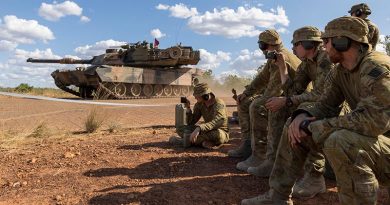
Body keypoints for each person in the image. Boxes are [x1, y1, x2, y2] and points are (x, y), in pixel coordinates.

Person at [241, 16, 390, 205]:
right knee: (294, 125)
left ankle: (317, 176)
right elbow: (325, 103)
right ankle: (277, 196)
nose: (324, 46)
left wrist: (318, 125)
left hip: (381, 142)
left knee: (340, 140)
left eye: (327, 41)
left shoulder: (376, 67)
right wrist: (302, 116)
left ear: (342, 42)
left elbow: (375, 121)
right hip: (372, 139)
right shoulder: (340, 69)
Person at [229, 29, 301, 173]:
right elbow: (262, 78)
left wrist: (258, 100)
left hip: (296, 101)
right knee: (245, 102)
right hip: (288, 97)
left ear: (271, 45)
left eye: (262, 46)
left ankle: (260, 155)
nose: (262, 50)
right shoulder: (273, 57)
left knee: (257, 106)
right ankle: (248, 145)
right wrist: (247, 93)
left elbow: (274, 90)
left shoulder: (281, 57)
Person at [169, 83, 229, 149]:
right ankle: (204, 142)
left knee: (218, 135)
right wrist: (188, 108)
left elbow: (217, 122)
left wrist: (199, 128)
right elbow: (191, 122)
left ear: (205, 96)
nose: (195, 97)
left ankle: (184, 141)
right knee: (180, 129)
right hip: (206, 131)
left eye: (197, 96)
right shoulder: (199, 104)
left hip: (219, 131)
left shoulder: (218, 103)